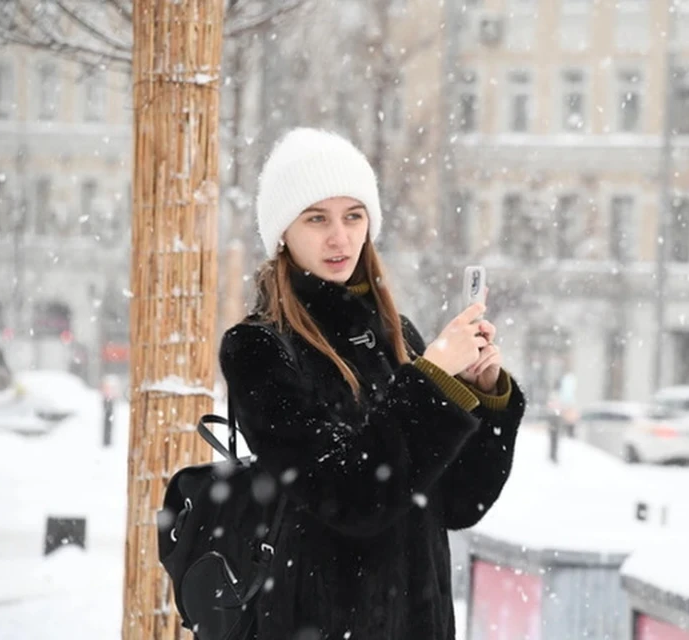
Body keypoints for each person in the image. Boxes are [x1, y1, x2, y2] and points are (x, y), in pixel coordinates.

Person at [218, 128, 526, 639]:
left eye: (353, 216)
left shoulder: (397, 336)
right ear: (283, 232)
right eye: (317, 218)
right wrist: (431, 382)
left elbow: (460, 502)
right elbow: (349, 495)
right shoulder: (259, 348)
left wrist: (484, 394)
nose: (339, 237)